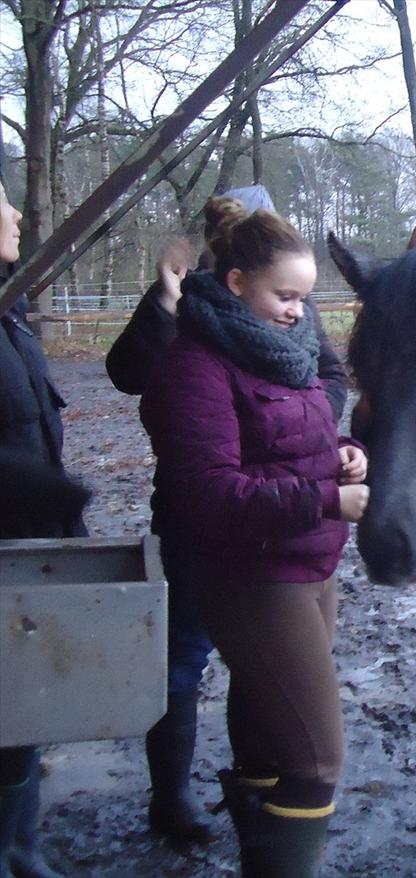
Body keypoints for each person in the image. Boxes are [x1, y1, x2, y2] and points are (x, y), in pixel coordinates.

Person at [105, 187, 347, 845]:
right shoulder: (194, 323)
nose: (297, 309)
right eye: (286, 296)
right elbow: (131, 372)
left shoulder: (287, 314)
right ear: (233, 268)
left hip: (291, 536)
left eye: (303, 298)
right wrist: (162, 299)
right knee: (184, 652)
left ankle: (246, 798)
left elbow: (327, 375)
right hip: (215, 529)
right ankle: (172, 798)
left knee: (268, 681)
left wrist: (312, 433)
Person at [0, 178, 81, 878]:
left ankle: (18, 849)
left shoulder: (9, 314)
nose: (17, 212)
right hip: (10, 531)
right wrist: (37, 488)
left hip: (23, 544)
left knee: (15, 710)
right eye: (2, 199)